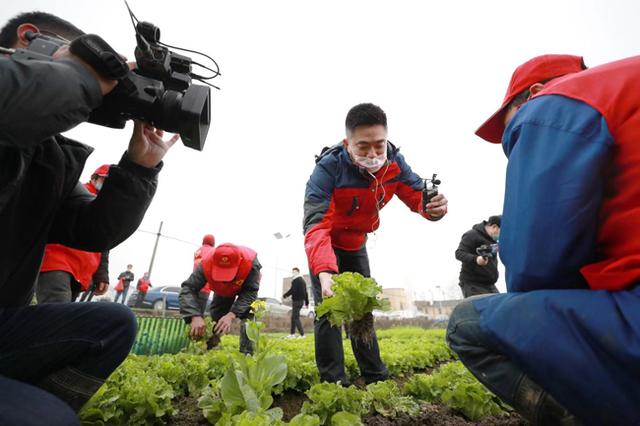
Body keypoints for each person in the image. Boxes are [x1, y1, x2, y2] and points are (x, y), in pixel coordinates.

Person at [0, 11, 177, 425]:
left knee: (111, 322)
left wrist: (139, 169)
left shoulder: (50, 157)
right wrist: (80, 76)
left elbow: (93, 229)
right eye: (86, 73)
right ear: (28, 40)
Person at [447, 54, 640, 425]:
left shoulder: (557, 103)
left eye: (510, 131)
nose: (513, 145)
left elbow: (535, 268)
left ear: (535, 93)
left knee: (465, 324)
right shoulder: (623, 93)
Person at [303, 103, 448, 385]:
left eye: (379, 146)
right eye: (363, 147)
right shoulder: (327, 169)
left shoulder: (395, 163)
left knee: (362, 312)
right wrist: (324, 271)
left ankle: (375, 377)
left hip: (356, 243)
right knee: (328, 311)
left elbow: (417, 195)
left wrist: (432, 208)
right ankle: (333, 382)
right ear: (348, 143)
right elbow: (316, 223)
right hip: (327, 244)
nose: (372, 155)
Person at [37, 165, 111, 304]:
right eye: (105, 179)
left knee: (62, 317)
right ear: (94, 178)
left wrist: (101, 275)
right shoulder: (73, 192)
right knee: (56, 312)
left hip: (82, 269)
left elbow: (104, 243)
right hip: (56, 260)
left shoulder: (104, 208)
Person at [179, 243, 261, 354]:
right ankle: (207, 349)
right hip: (222, 290)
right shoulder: (205, 264)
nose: (225, 279)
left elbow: (250, 292)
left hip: (246, 288)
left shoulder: (251, 263)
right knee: (216, 318)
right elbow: (188, 288)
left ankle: (247, 355)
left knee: (249, 318)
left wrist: (231, 315)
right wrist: (194, 315)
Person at [455, 215, 501, 297]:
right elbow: (459, 253)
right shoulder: (471, 235)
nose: (500, 236)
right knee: (482, 309)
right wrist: (476, 259)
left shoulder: (493, 240)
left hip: (490, 285)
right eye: (501, 232)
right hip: (473, 285)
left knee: (500, 308)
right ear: (494, 227)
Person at [283, 267, 309, 338]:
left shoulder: (296, 280)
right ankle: (292, 334)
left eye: (294, 272)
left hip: (297, 301)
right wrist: (307, 303)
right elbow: (306, 293)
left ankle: (302, 334)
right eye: (292, 271)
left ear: (298, 272)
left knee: (295, 317)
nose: (293, 273)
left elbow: (292, 290)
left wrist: (285, 295)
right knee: (293, 317)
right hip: (300, 301)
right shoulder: (303, 281)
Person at [193, 234, 215, 314]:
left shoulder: (197, 251)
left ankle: (190, 325)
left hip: (194, 284)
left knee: (194, 311)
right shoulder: (213, 252)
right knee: (199, 313)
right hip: (205, 286)